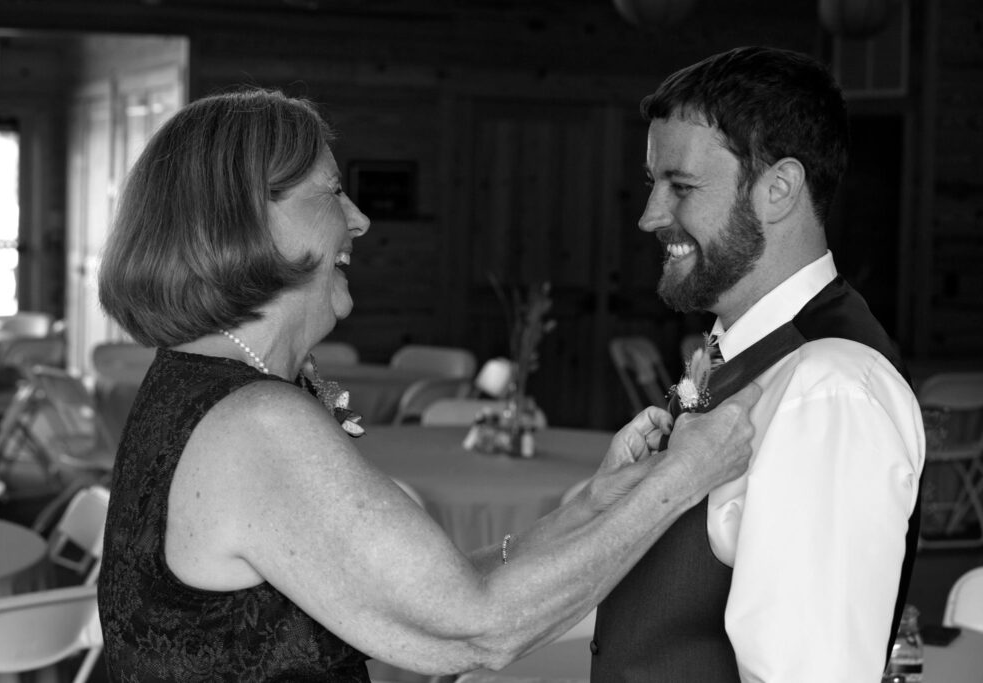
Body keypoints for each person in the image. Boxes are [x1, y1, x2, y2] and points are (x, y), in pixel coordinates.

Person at [95, 87, 760, 682]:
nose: (359, 218)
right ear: (252, 219)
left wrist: (595, 503)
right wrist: (684, 477)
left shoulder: (192, 382)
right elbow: (477, 627)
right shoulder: (255, 422)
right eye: (332, 192)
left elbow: (425, 593)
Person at [591, 46, 926, 682]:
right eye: (651, 183)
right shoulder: (738, 350)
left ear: (778, 189)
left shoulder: (829, 390)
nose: (649, 216)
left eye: (681, 186)